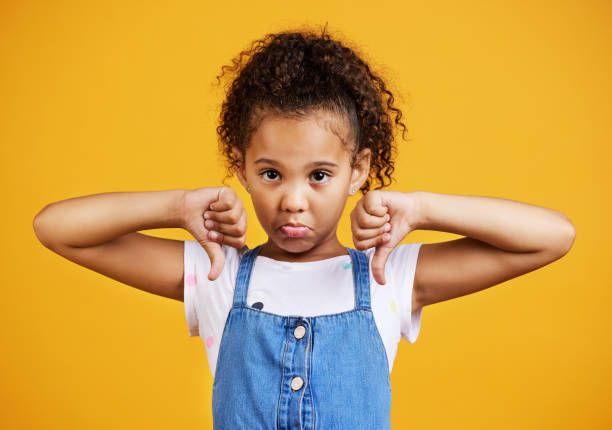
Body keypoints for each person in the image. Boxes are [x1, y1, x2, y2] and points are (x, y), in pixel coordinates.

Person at [33, 24, 576, 430]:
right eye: (271, 173)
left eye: (319, 175)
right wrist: (176, 206)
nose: (293, 201)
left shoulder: (389, 277)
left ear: (358, 170)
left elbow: (552, 237)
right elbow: (57, 227)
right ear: (241, 164)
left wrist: (423, 209)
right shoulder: (218, 272)